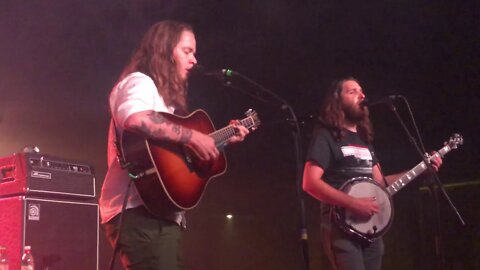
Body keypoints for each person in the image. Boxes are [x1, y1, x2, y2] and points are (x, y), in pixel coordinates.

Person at [99, 20, 250, 269]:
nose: (194, 60)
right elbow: (135, 118)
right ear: (165, 50)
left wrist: (222, 140)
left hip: (159, 214)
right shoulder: (139, 82)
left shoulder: (167, 104)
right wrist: (192, 137)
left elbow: (176, 158)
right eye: (187, 51)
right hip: (138, 212)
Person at [302, 77, 442, 270]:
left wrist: (419, 171)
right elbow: (310, 183)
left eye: (361, 91)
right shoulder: (326, 137)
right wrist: (353, 203)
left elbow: (381, 184)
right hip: (340, 228)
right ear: (337, 100)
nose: (362, 95)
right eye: (352, 91)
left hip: (370, 231)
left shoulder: (363, 139)